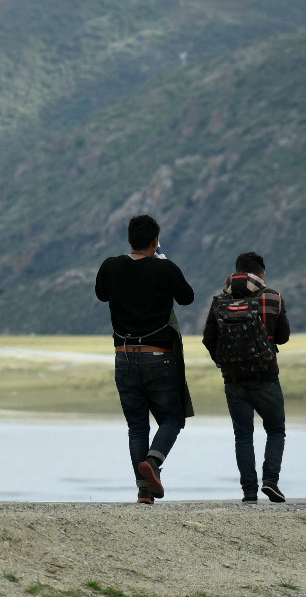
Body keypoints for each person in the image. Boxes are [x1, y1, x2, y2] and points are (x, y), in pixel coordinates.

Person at [94, 213, 196, 504]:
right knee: (173, 418)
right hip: (159, 356)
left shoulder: (110, 266)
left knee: (137, 426)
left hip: (124, 357)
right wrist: (162, 264)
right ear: (155, 242)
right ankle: (152, 463)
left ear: (129, 239)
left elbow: (102, 294)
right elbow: (187, 297)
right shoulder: (164, 268)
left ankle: (144, 491)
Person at [202, 251, 291, 503]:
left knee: (243, 435)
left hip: (233, 380)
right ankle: (271, 482)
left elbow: (209, 339)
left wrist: (224, 362)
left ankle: (249, 492)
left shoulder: (219, 301)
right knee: (275, 430)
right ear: (261, 273)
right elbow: (283, 337)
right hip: (266, 377)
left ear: (237, 271)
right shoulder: (273, 297)